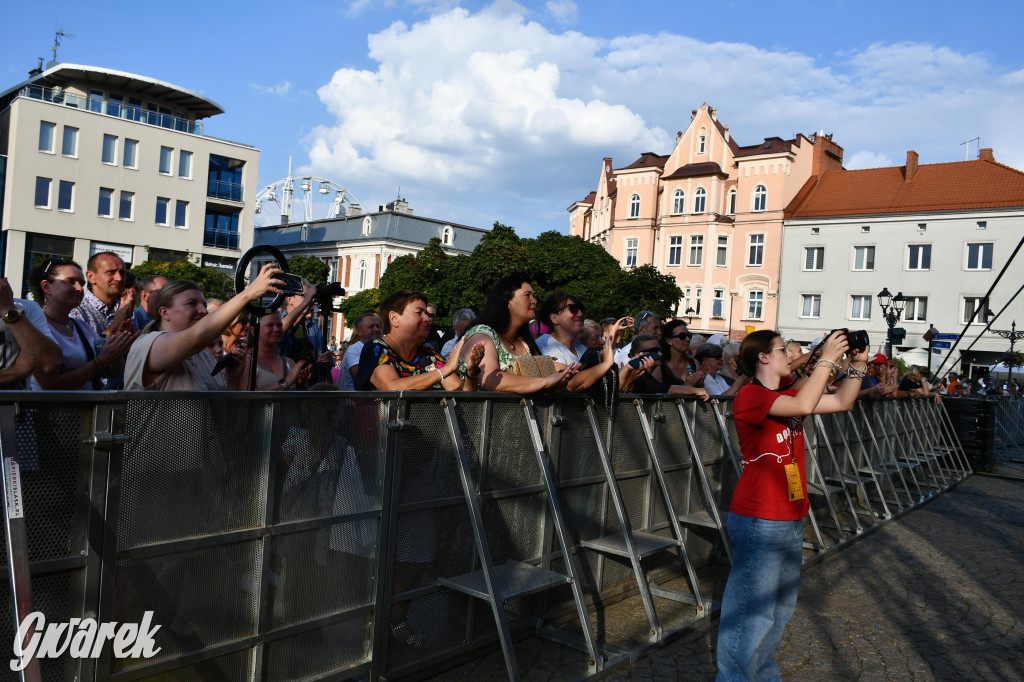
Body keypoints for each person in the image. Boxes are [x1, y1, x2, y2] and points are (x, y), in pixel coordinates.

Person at [716, 329, 868, 681]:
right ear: (764, 358)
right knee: (751, 611)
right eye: (783, 350)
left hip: (791, 514)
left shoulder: (784, 393)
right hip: (760, 516)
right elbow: (803, 405)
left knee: (779, 610)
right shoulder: (751, 396)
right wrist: (826, 357)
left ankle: (763, 673)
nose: (791, 355)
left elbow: (843, 401)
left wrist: (857, 365)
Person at [124, 264, 285, 391]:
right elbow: (193, 339)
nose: (202, 310)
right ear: (165, 313)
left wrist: (233, 379)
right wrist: (248, 293)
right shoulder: (147, 344)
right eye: (191, 304)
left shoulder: (205, 358)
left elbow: (222, 420)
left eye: (203, 304)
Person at [458, 273, 577, 394]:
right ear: (508, 301)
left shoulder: (524, 341)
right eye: (527, 295)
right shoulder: (482, 334)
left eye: (533, 296)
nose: (534, 301)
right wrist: (544, 382)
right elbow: (490, 380)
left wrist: (559, 380)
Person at [27, 259, 137, 390]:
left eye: (81, 283)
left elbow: (112, 373)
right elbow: (50, 384)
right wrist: (101, 361)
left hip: (87, 408)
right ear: (46, 286)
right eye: (70, 281)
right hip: (51, 410)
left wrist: (116, 348)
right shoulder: (34, 328)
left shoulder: (81, 326)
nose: (79, 288)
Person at [354, 290, 478, 391]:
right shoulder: (376, 348)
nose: (427, 318)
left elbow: (460, 392)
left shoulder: (428, 354)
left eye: (427, 314)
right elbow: (392, 387)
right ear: (394, 318)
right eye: (419, 313)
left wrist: (471, 373)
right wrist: (445, 370)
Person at [536, 292, 620, 392]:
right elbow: (569, 384)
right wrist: (606, 364)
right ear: (554, 318)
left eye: (582, 310)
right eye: (572, 309)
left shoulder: (580, 347)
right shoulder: (546, 344)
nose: (580, 314)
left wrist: (629, 369)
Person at [0, 274, 61, 389]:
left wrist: (8, 309)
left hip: (15, 405)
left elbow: (49, 362)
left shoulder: (26, 308)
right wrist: (15, 374)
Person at [620, 334, 708, 399]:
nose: (660, 354)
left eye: (659, 350)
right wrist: (696, 391)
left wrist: (699, 385)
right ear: (638, 354)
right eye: (654, 351)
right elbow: (668, 389)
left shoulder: (647, 374)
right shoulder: (639, 374)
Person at [70, 252, 135, 339]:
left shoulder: (126, 308)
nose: (119, 278)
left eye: (122, 272)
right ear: (90, 277)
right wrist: (116, 324)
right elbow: (87, 349)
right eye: (111, 272)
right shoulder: (75, 309)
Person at [253, 312, 310, 390]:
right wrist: (286, 383)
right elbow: (243, 397)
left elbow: (304, 399)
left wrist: (301, 384)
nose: (276, 329)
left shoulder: (289, 363)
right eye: (270, 325)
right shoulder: (246, 361)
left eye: (279, 325)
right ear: (254, 330)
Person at [341, 312, 382, 390]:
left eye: (377, 326)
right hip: (355, 400)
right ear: (359, 332)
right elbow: (360, 378)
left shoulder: (382, 349)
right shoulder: (354, 349)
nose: (376, 329)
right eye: (371, 327)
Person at [660, 319, 705, 388]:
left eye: (689, 335)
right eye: (682, 336)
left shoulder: (694, 363)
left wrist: (701, 384)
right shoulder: (660, 366)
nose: (688, 339)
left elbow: (701, 391)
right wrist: (686, 387)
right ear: (669, 341)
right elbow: (656, 394)